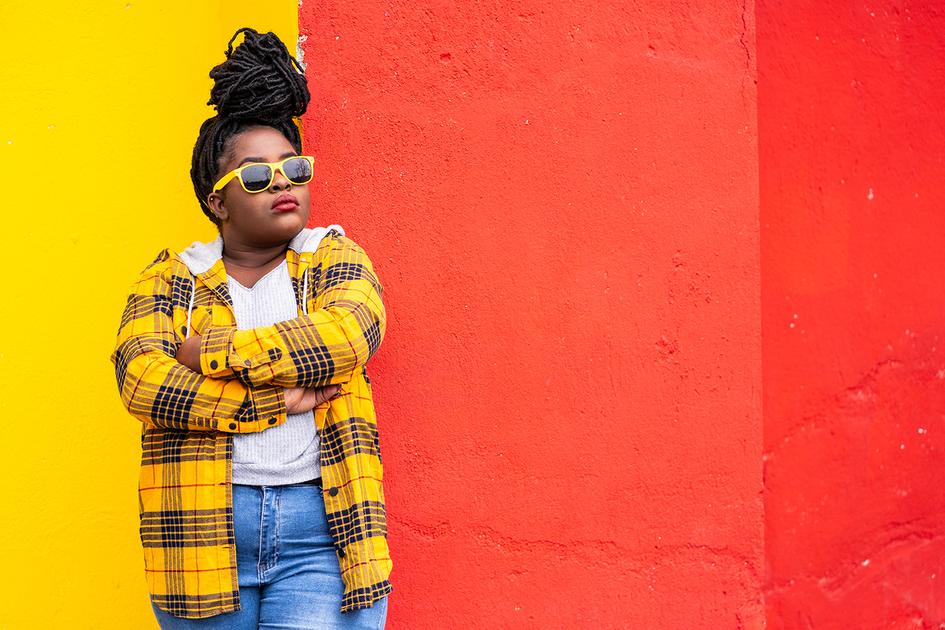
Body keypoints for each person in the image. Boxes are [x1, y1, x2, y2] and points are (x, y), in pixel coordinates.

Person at [110, 27, 391, 629]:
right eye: (257, 175)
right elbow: (142, 382)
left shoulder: (331, 259)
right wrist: (274, 402)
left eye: (293, 167)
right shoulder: (172, 280)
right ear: (217, 201)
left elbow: (347, 335)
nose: (282, 182)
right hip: (198, 539)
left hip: (323, 536)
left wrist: (211, 353)